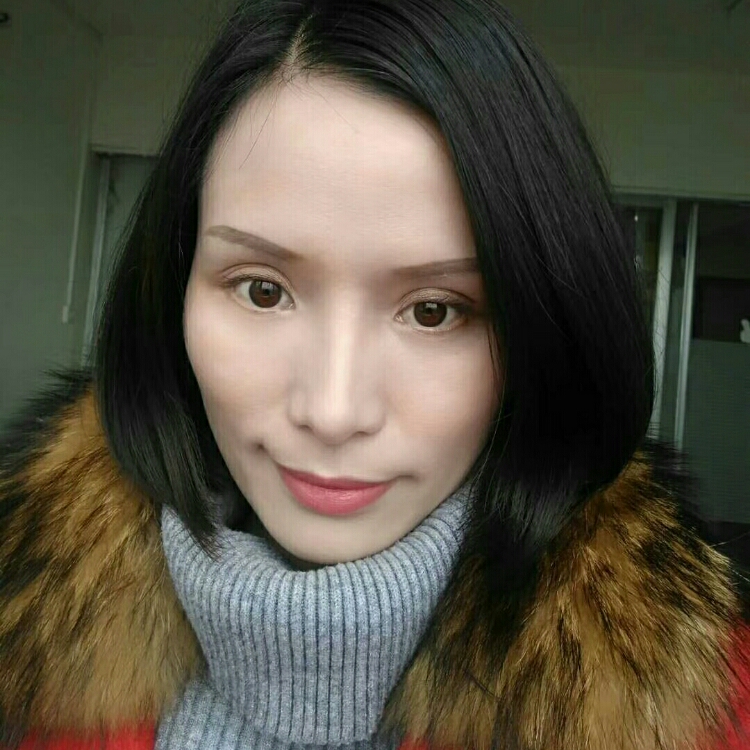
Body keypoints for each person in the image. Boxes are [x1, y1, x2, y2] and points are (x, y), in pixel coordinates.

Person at [1, 1, 748, 748]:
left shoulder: (709, 714)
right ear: (172, 295)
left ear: (540, 337)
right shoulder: (21, 647)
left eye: (434, 311)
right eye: (262, 290)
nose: (333, 411)